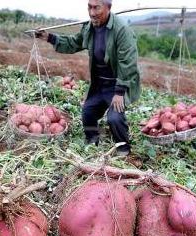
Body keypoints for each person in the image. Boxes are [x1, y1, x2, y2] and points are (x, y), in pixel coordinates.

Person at [36, 0, 141, 156]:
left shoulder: (121, 30)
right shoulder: (89, 28)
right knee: (88, 111)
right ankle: (93, 140)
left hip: (117, 85)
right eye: (89, 7)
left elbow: (128, 63)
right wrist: (49, 37)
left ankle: (123, 148)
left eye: (96, 8)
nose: (92, 13)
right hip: (100, 84)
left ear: (108, 8)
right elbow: (74, 43)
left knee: (114, 118)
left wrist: (119, 92)